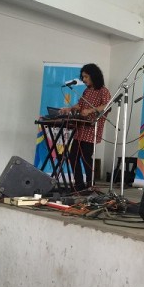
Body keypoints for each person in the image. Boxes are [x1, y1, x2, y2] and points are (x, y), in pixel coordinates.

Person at [59, 63, 111, 192]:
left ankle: (90, 185)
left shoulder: (103, 91)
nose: (84, 80)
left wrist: (89, 111)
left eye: (86, 77)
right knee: (73, 156)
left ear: (94, 76)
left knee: (86, 157)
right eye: (83, 77)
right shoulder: (87, 90)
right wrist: (69, 108)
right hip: (81, 128)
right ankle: (79, 184)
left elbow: (107, 106)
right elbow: (80, 104)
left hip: (92, 129)